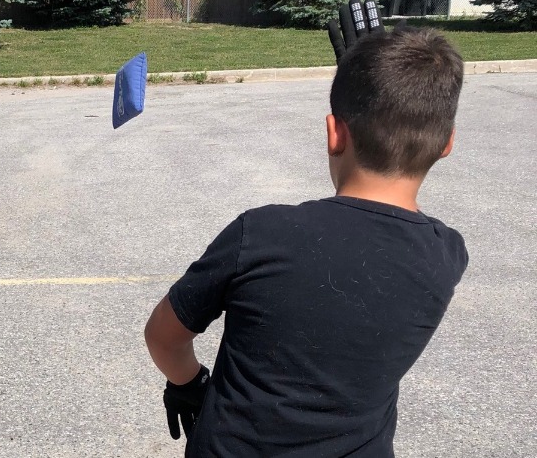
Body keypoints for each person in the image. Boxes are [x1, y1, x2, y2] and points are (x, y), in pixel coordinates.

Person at [144, 25, 469, 457]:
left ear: (334, 133)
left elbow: (163, 336)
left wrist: (189, 384)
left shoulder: (260, 234)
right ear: (447, 144)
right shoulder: (446, 253)